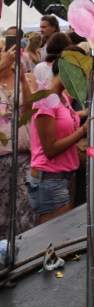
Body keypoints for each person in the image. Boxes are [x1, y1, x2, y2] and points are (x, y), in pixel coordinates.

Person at [27, 48, 88, 224]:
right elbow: (50, 149)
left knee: (63, 242)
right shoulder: (45, 99)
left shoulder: (62, 97)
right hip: (50, 182)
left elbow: (66, 120)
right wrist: (82, 132)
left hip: (63, 178)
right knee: (52, 244)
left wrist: (84, 114)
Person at [0, 42, 36, 236]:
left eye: (3, 49)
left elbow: (30, 110)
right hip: (1, 156)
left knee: (26, 209)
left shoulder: (22, 76)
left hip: (23, 154)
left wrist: (22, 80)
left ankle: (25, 253)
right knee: (2, 214)